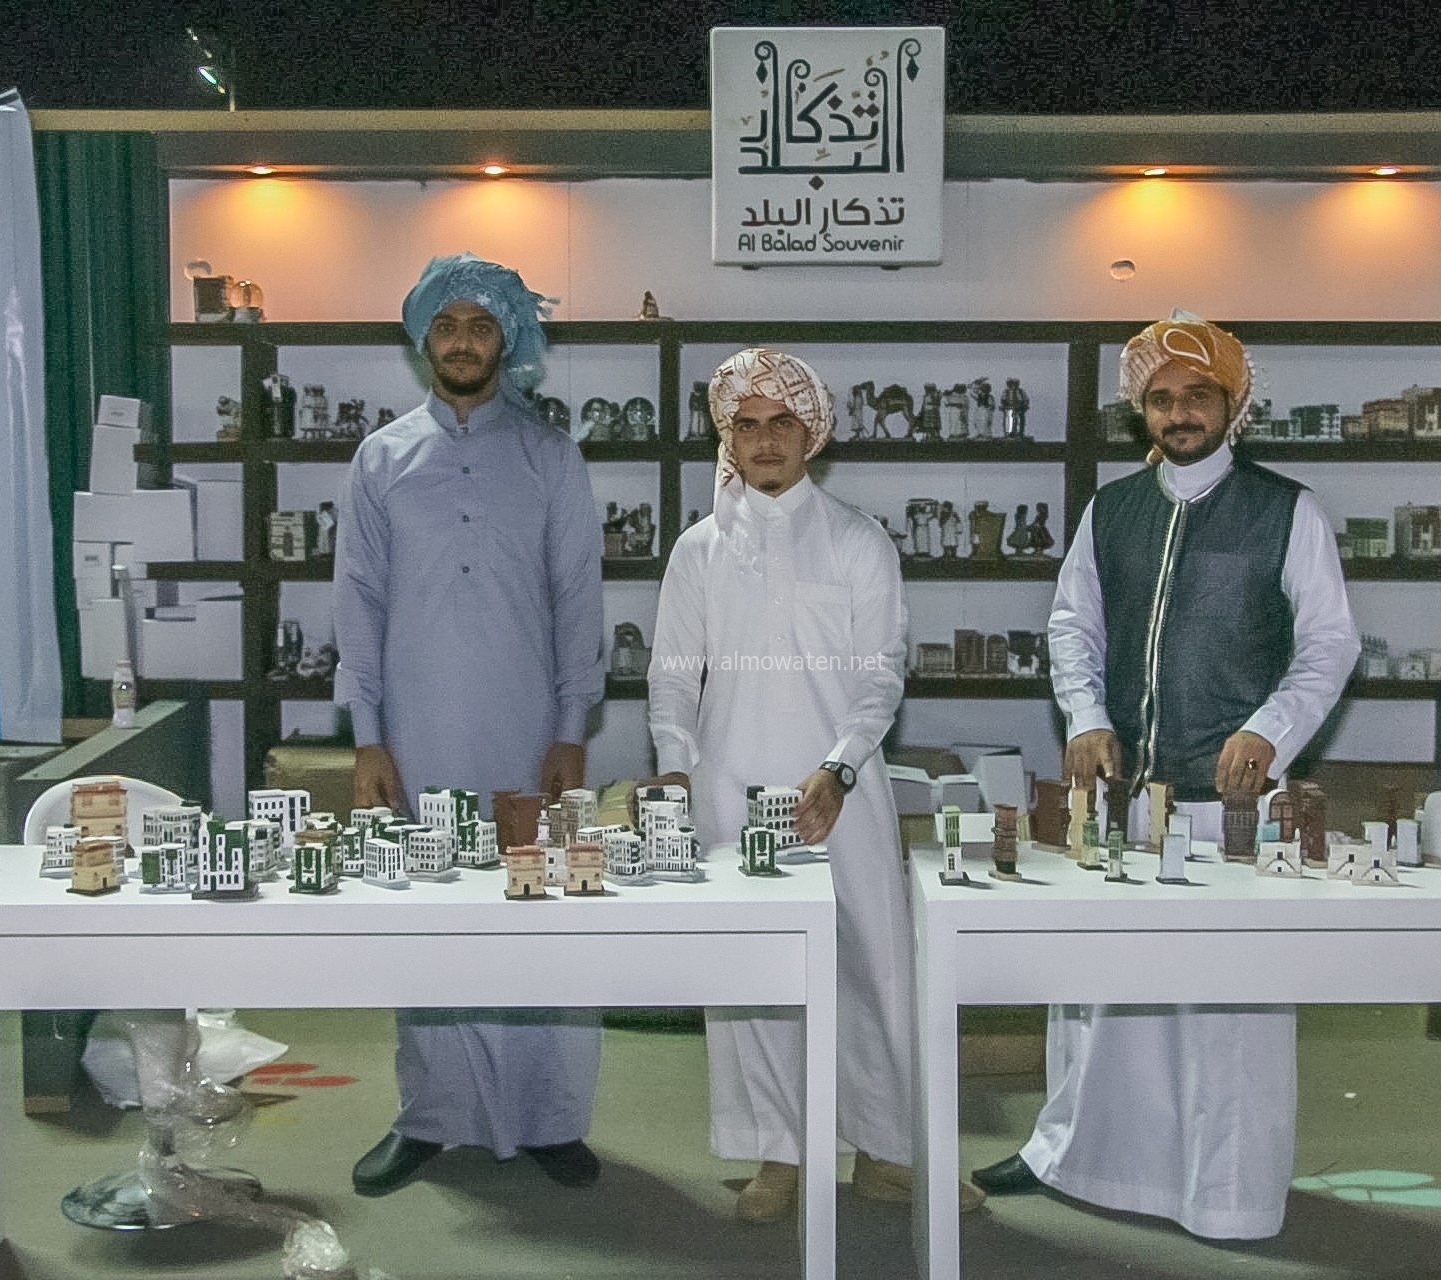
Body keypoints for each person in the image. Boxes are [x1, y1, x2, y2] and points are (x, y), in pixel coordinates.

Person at [971, 309, 1360, 1240]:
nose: (1179, 413)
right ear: (1138, 410)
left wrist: (1269, 730)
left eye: (1198, 396)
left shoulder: (1287, 509)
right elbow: (1074, 625)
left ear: (1234, 404)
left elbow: (1330, 643)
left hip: (1229, 806)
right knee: (1098, 991)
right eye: (1161, 399)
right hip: (1124, 798)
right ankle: (1068, 1155)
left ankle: (1225, 1196)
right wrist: (1087, 717)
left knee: (1226, 1010)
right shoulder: (1113, 509)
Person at [642, 348, 984, 1224]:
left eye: (781, 422)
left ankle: (889, 1153)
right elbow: (672, 674)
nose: (764, 440)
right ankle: (779, 1154)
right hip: (729, 789)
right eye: (746, 424)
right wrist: (675, 769)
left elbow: (881, 676)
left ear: (812, 433)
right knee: (753, 976)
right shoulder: (699, 550)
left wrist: (840, 763)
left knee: (872, 966)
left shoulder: (857, 540)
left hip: (842, 789)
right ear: (728, 438)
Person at [333, 252, 606, 1196]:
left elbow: (576, 598)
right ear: (423, 339)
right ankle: (430, 1117)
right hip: (415, 732)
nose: (461, 342)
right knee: (429, 915)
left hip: (529, 729)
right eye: (446, 326)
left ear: (507, 339)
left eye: (481, 326)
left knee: (541, 914)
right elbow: (358, 598)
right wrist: (368, 734)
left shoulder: (549, 457)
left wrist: (570, 728)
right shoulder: (380, 459)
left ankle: (550, 1119)